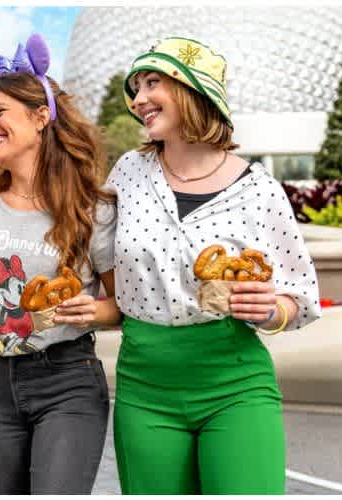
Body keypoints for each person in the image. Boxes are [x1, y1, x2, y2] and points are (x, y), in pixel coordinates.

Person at [104, 37, 322, 494]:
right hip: (144, 387)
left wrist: (270, 311)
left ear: (193, 90)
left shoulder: (260, 189)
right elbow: (86, 246)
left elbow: (298, 297)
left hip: (235, 383)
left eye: (152, 82)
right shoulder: (127, 172)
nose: (138, 99)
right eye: (136, 87)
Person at [0, 33, 118, 494]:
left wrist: (93, 311)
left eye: (0, 111)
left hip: (68, 379)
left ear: (41, 117)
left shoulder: (93, 205)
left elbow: (122, 305)